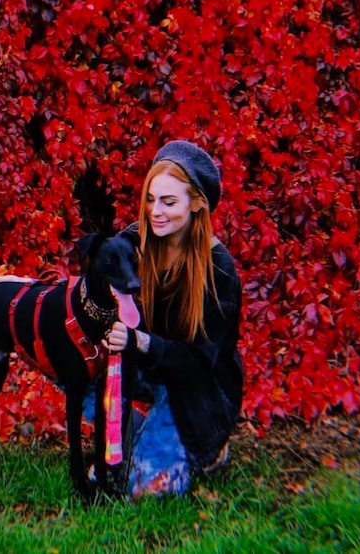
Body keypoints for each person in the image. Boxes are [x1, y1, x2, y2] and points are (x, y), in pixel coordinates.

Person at [102, 139, 243, 498]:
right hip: (147, 371)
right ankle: (138, 433)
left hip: (198, 390)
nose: (155, 212)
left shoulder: (218, 270)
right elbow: (92, 279)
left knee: (143, 490)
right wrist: (20, 289)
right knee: (70, 366)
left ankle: (206, 447)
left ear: (197, 204)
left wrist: (140, 341)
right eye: (151, 199)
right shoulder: (135, 242)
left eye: (168, 202)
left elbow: (198, 362)